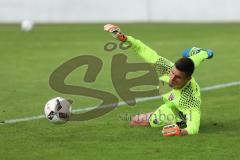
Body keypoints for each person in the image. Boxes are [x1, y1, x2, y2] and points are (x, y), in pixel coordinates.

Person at [104, 24, 214, 136]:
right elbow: (142, 49)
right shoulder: (167, 68)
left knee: (139, 121)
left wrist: (181, 132)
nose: (172, 79)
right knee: (193, 60)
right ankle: (203, 53)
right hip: (171, 104)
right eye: (172, 73)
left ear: (188, 79)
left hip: (179, 114)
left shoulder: (190, 100)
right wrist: (124, 37)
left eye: (178, 77)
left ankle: (176, 122)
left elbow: (194, 128)